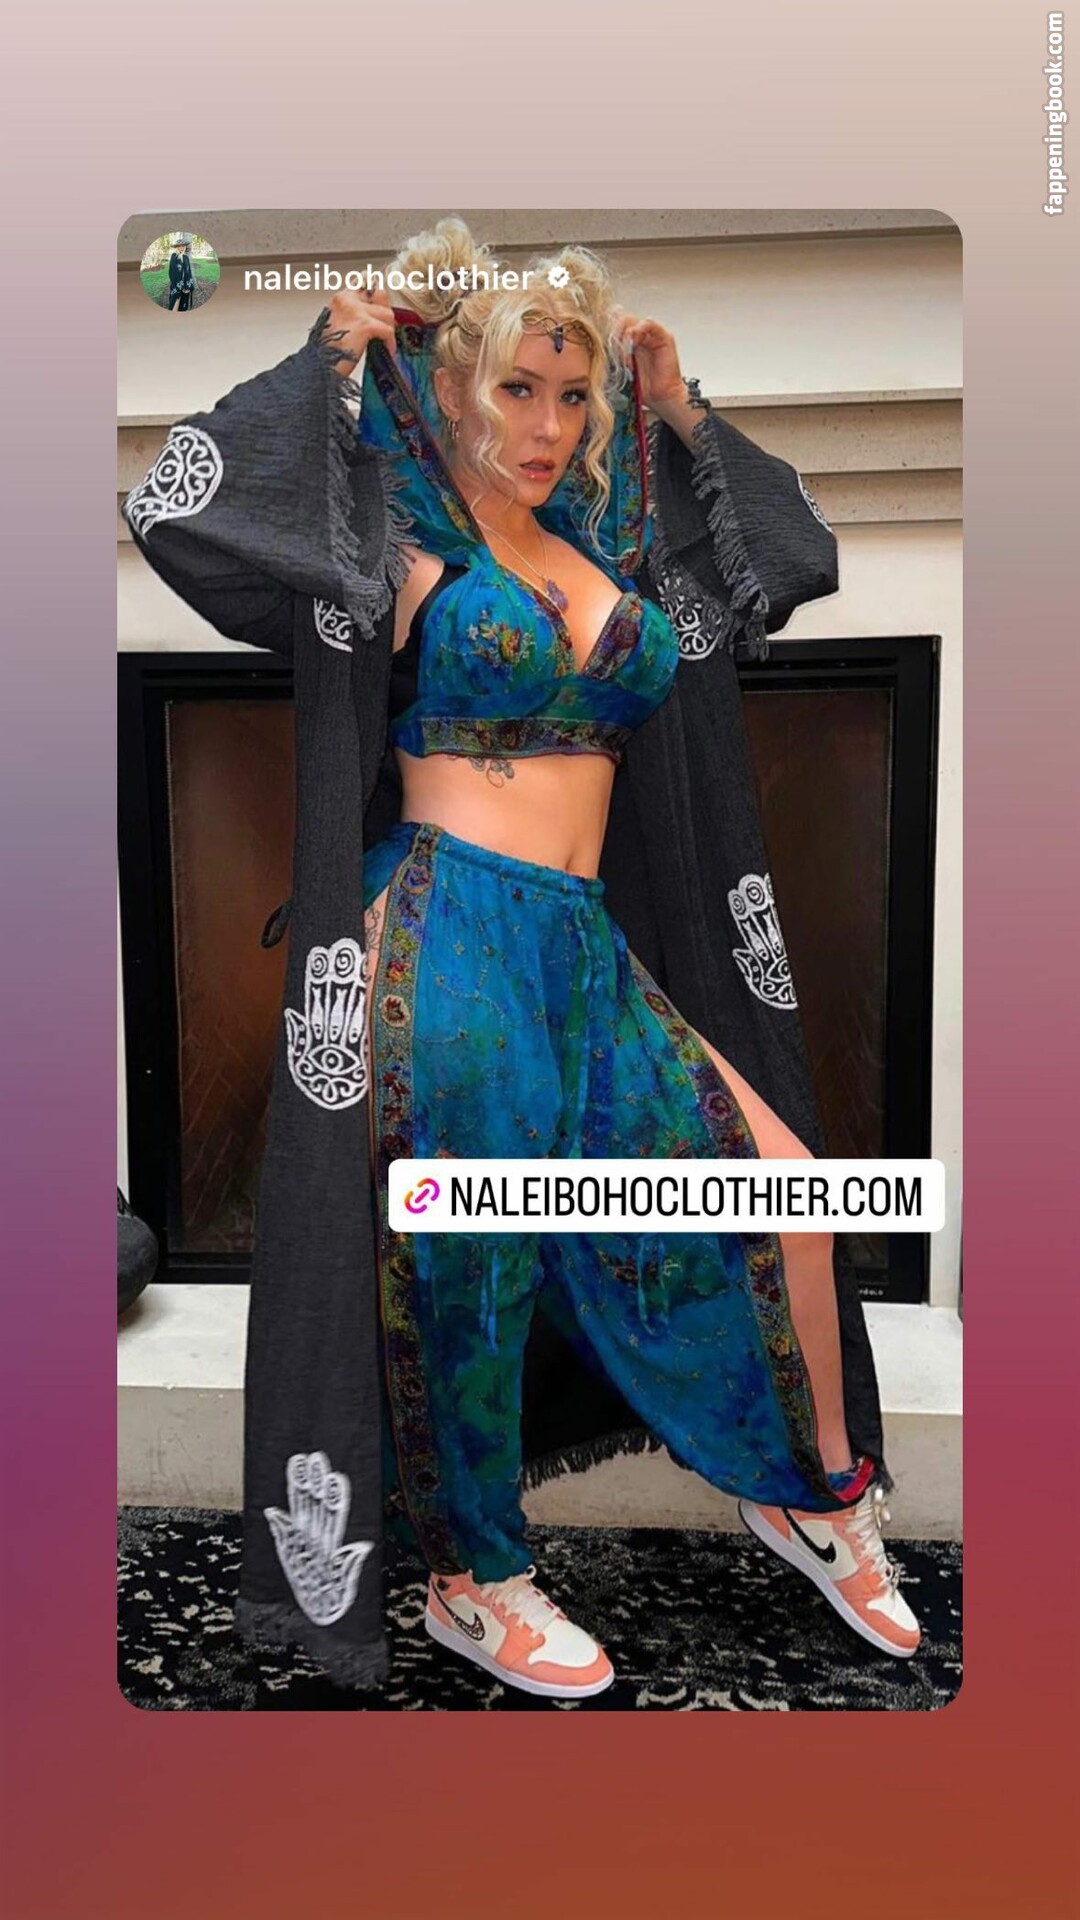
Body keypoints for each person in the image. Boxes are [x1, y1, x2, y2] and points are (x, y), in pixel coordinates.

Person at [122, 218, 920, 1700]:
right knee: (469, 1262)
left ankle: (816, 1491)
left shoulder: (610, 540)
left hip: (579, 946)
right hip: (449, 927)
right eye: (517, 390)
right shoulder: (401, 544)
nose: (549, 425)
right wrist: (330, 359)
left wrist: (682, 410)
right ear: (457, 388)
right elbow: (182, 513)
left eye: (571, 394)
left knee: (786, 1188)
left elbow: (790, 563)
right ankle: (471, 1576)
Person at [166, 238, 195, 311]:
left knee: (183, 304)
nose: (181, 248)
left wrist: (188, 286)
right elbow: (172, 272)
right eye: (179, 246)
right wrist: (180, 286)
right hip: (177, 285)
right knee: (176, 300)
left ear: (185, 247)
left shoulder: (186, 257)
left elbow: (188, 272)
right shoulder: (174, 256)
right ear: (177, 247)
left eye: (183, 246)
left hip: (185, 285)